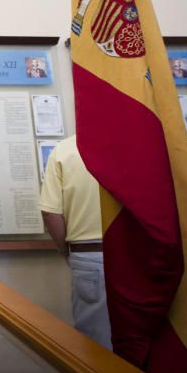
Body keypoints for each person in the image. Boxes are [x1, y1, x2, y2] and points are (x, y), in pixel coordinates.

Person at [39, 135, 111, 349]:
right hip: (136, 255)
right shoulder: (135, 144)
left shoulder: (64, 150)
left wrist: (66, 252)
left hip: (88, 255)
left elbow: (50, 213)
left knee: (95, 345)